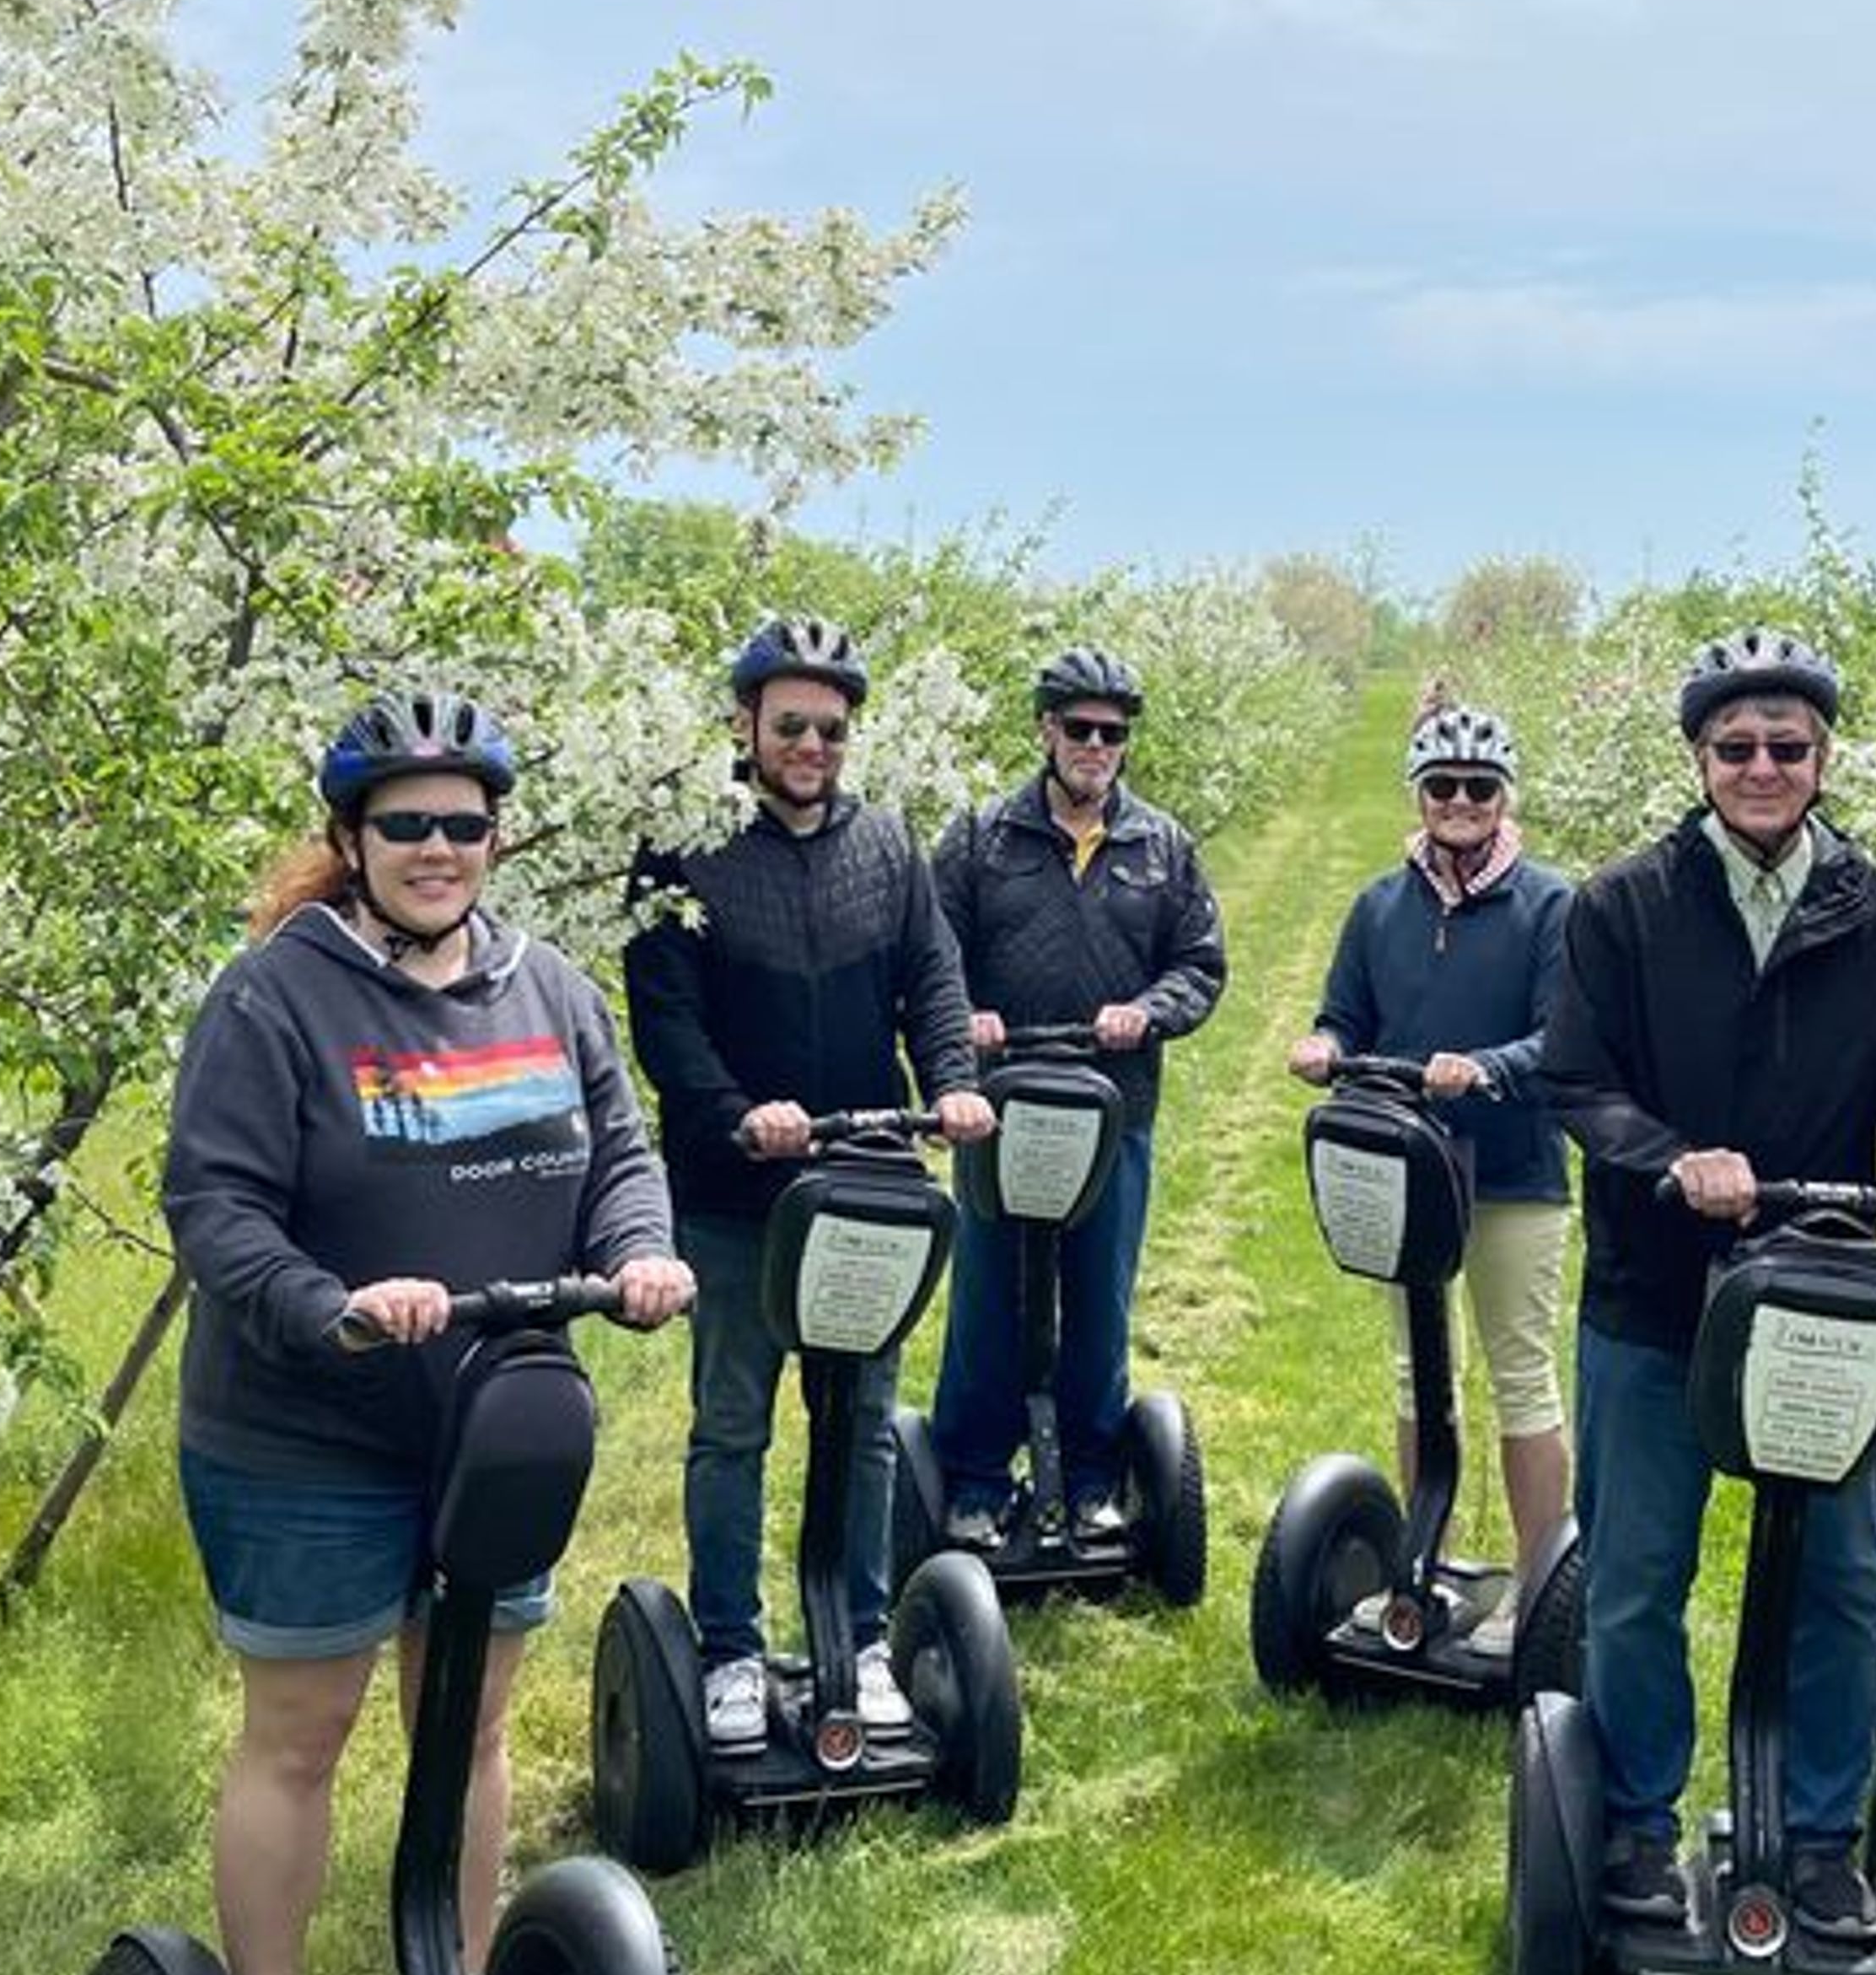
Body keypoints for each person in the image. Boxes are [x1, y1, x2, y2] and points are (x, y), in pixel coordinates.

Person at [163, 688, 694, 1975]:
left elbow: (622, 1157)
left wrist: (641, 1252)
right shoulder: (279, 996)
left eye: (465, 823)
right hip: (305, 1435)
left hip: (495, 1428)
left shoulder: (553, 990)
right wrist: (331, 1305)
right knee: (302, 1736)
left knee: (465, 1730)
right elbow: (214, 1208)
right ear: (351, 836)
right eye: (407, 825)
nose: (439, 848)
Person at [1543, 630, 1876, 1942]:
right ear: (1698, 758)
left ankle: (1816, 1838)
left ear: (1823, 758)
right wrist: (1675, 1162)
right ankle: (1629, 1826)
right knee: (1635, 1574)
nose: (1761, 767)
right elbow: (1578, 1082)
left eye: (1787, 747)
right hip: (1656, 1298)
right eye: (1735, 747)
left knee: (1847, 1578)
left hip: (1823, 1300)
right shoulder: (1624, 907)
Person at [624, 615, 994, 1749]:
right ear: (745, 725)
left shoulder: (885, 844)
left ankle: (862, 1638)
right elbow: (665, 1018)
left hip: (868, 1181)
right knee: (733, 1426)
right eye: (790, 725)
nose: (812, 746)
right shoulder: (684, 847)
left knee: (866, 1420)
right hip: (740, 1199)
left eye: (831, 729)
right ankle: (732, 1649)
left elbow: (933, 979)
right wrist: (739, 1118)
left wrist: (954, 1081)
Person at [928, 645, 1227, 1543]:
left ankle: (1095, 1477)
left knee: (1099, 1298)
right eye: (1080, 728)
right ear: (1045, 731)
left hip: (1114, 1109)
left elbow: (1201, 964)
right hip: (1001, 1108)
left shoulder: (1160, 844)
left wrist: (1148, 1010)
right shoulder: (982, 836)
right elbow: (933, 957)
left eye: (1113, 732)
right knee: (990, 1295)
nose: (1097, 745)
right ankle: (977, 1478)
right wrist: (967, 1015)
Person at [1289, 702, 1573, 1644]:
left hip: (1512, 1170)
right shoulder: (1380, 904)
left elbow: (1561, 1035)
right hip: (1408, 1168)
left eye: (1480, 787)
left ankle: (1539, 1592)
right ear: (1420, 793)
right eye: (1444, 786)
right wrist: (1325, 1045)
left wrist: (1487, 1065)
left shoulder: (1548, 904)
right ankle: (1424, 1557)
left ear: (1504, 797)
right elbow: (1345, 1012)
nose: (1461, 802)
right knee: (1421, 1372)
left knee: (1520, 1371)